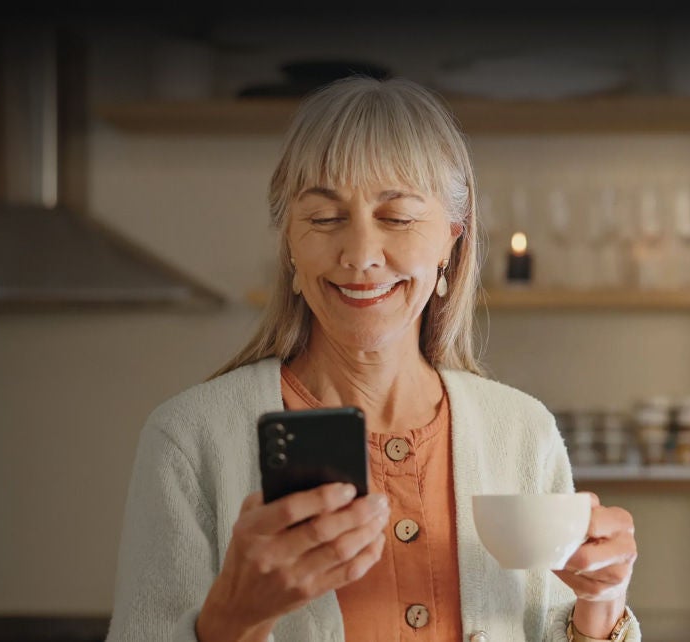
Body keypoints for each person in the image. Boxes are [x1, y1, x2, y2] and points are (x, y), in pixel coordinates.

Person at [104, 77, 641, 642]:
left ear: (451, 243)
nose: (360, 255)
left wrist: (601, 605)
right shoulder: (189, 439)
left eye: (398, 218)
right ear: (290, 244)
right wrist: (235, 618)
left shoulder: (522, 432)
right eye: (325, 218)